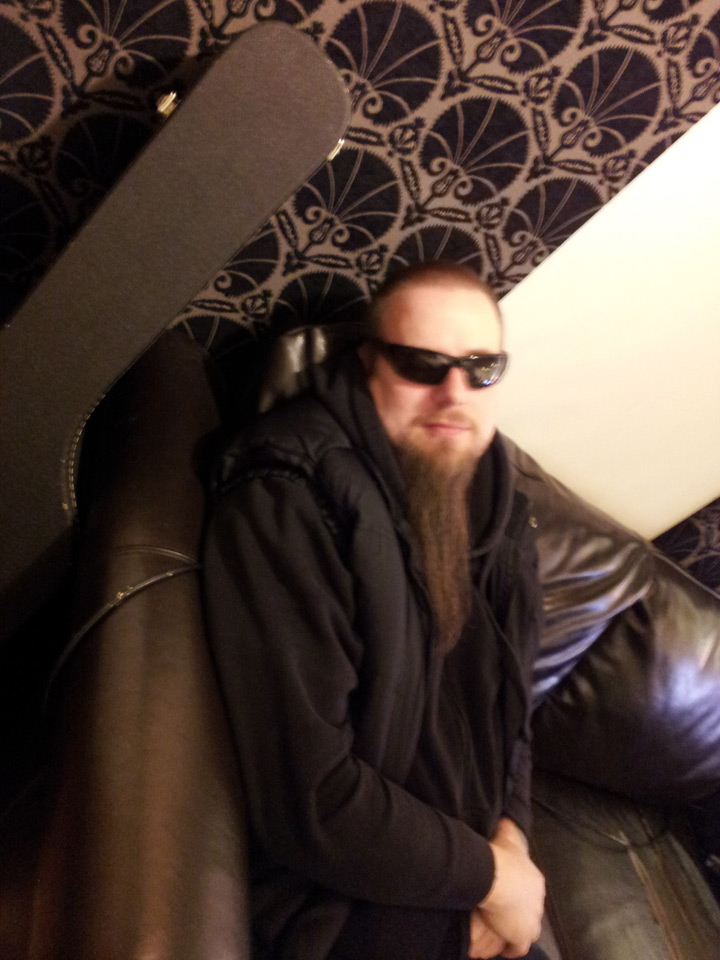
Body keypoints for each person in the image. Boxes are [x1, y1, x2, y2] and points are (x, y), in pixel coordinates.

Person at [203, 261, 548, 960]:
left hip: (463, 867)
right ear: (368, 365)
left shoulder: (502, 504)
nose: (454, 392)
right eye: (422, 365)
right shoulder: (289, 497)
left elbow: (513, 712)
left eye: (481, 369)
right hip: (339, 905)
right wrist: (494, 881)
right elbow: (311, 800)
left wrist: (513, 839)